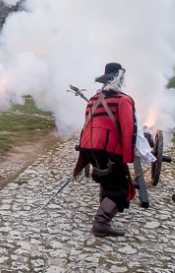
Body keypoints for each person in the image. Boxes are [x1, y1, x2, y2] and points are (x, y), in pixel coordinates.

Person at [74, 62, 137, 237]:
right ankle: (101, 223)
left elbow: (87, 124)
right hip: (109, 148)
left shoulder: (93, 99)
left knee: (107, 180)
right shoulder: (123, 100)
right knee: (121, 189)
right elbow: (128, 130)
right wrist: (127, 157)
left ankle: (103, 214)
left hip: (89, 147)